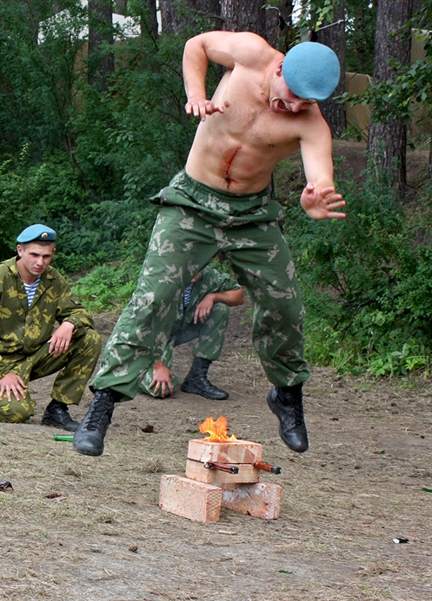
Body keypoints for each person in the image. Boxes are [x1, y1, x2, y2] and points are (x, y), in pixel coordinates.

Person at [73, 32, 346, 457]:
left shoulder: (309, 122)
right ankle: (103, 404)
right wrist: (196, 94)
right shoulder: (252, 54)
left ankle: (287, 394)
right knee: (152, 299)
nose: (293, 107)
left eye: (305, 104)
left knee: (285, 303)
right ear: (279, 68)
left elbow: (320, 175)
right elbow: (196, 46)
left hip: (251, 215)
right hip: (192, 204)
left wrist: (316, 197)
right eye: (291, 95)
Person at [0, 224, 101, 431]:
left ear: (53, 253)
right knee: (17, 413)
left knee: (89, 339)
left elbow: (80, 313)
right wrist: (0, 373)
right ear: (20, 251)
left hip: (36, 357)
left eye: (46, 256)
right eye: (34, 254)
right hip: (0, 362)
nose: (40, 262)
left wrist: (69, 323)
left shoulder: (53, 280)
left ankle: (58, 409)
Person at [138, 265, 244, 400]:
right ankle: (128, 373)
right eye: (190, 263)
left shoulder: (208, 275)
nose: (195, 268)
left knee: (220, 309)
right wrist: (158, 366)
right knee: (159, 389)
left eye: (199, 263)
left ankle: (196, 378)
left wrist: (213, 297)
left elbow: (238, 295)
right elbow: (142, 325)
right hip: (151, 338)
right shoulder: (163, 278)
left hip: (180, 329)